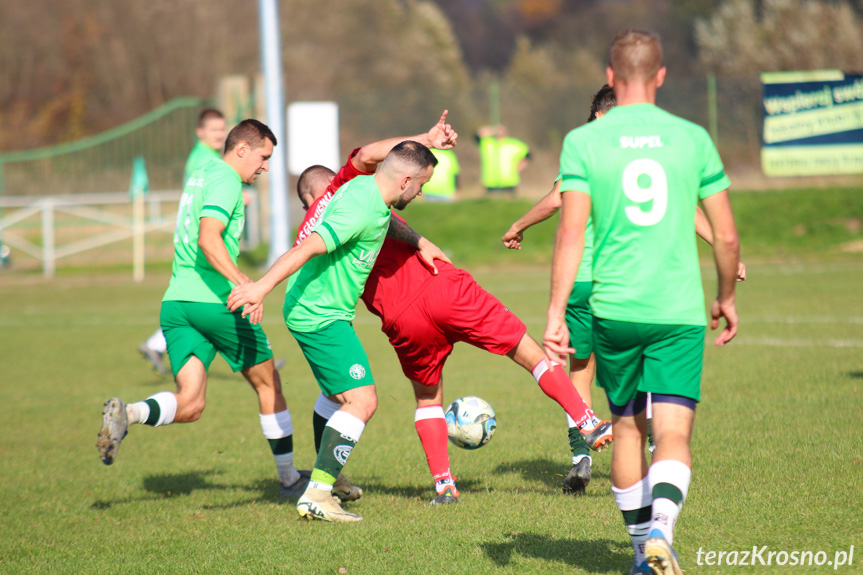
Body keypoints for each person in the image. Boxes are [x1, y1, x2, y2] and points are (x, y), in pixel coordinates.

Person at [292, 127, 613, 508]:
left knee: (428, 397)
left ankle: (444, 485)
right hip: (440, 287)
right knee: (528, 353)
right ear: (329, 185)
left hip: (398, 317)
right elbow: (374, 158)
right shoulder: (350, 189)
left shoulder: (315, 222)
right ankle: (587, 421)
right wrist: (421, 231)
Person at [542, 30, 739, 575]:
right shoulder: (691, 137)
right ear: (660, 76)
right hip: (676, 310)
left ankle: (638, 552)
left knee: (626, 427)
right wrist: (725, 296)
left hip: (614, 309)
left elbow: (571, 233)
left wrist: (557, 312)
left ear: (610, 77)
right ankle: (663, 529)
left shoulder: (584, 142)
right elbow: (724, 236)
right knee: (671, 431)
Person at [503, 86, 747, 495]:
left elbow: (553, 201)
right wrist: (723, 252)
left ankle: (581, 452)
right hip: (629, 280)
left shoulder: (590, 153)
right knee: (637, 366)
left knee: (580, 367)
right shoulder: (650, 156)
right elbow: (687, 209)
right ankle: (654, 440)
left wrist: (518, 225)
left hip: (581, 280)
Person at [227, 137, 448, 523]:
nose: (420, 192)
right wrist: (260, 287)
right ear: (406, 180)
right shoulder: (360, 206)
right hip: (319, 315)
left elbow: (385, 221)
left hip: (324, 311)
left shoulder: (368, 193)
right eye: (422, 185)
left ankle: (329, 476)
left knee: (334, 396)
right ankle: (317, 493)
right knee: (362, 401)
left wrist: (419, 241)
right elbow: (309, 247)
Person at [97, 119, 309, 500]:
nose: (264, 166)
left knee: (191, 402)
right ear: (241, 149)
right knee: (268, 383)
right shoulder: (226, 179)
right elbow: (208, 239)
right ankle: (290, 478)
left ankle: (128, 414)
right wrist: (244, 284)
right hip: (215, 303)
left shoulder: (202, 172)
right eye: (263, 156)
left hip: (176, 304)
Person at [138, 108, 227, 377]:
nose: (220, 135)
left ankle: (155, 344)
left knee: (200, 299)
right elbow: (203, 198)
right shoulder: (204, 160)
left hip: (200, 237)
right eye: (214, 130)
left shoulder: (207, 157)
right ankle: (260, 355)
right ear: (200, 132)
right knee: (219, 296)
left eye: (222, 129)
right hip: (201, 240)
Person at [476, 125, 530, 194]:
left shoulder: (514, 144)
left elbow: (528, 156)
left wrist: (519, 168)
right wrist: (494, 130)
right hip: (490, 182)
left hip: (509, 182)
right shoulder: (487, 142)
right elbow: (477, 134)